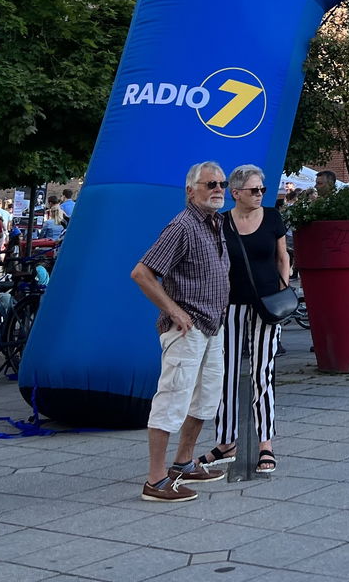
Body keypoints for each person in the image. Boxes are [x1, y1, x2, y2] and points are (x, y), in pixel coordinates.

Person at [129, 161, 232, 503]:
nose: (218, 189)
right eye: (210, 184)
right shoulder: (183, 226)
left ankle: (184, 463)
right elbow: (142, 273)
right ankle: (155, 480)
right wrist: (172, 310)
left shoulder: (215, 224)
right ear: (190, 190)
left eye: (222, 183)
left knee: (205, 400)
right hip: (187, 330)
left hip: (212, 327)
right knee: (172, 399)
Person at [206, 164, 287, 475]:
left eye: (262, 190)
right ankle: (226, 439)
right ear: (235, 193)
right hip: (232, 304)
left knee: (262, 372)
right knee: (225, 373)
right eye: (254, 190)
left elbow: (283, 256)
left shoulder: (272, 218)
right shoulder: (221, 222)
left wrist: (283, 289)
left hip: (267, 304)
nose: (259, 195)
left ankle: (265, 442)